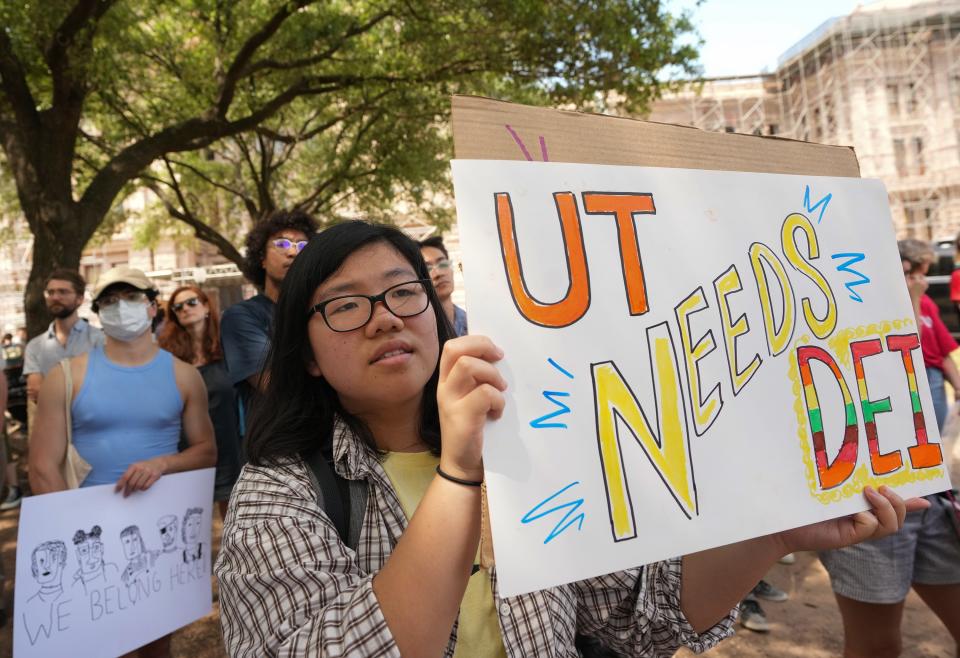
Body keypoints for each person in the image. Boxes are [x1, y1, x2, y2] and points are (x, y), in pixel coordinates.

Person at [215, 220, 918, 657]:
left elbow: (646, 614)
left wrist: (773, 535)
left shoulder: (529, 452)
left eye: (404, 293)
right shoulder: (279, 491)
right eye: (344, 305)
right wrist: (459, 474)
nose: (383, 318)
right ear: (305, 353)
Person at [29, 265, 216, 658]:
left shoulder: (184, 377)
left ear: (151, 307)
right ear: (98, 312)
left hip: (156, 534)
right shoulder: (65, 377)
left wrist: (162, 464)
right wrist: (71, 536)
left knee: (155, 645)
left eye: (130, 298)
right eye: (110, 301)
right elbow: (43, 467)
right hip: (89, 538)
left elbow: (206, 451)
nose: (120, 307)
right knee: (98, 645)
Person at [818, 238, 960, 658]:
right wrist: (909, 300)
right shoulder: (842, 306)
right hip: (870, 495)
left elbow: (939, 356)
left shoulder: (920, 305)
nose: (916, 277)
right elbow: (903, 358)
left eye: (918, 271)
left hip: (933, 488)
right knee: (877, 644)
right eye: (910, 269)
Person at [9, 269, 104, 511]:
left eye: (63, 292)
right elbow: (37, 395)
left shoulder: (100, 340)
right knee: (59, 507)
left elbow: (104, 390)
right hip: (51, 441)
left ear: (80, 298)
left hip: (95, 438)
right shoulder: (35, 346)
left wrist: (55, 393)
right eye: (51, 292)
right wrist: (81, 390)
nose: (55, 297)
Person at [220, 210, 317, 426]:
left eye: (303, 246)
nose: (292, 252)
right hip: (279, 449)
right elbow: (279, 388)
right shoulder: (241, 317)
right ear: (262, 259)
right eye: (282, 244)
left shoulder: (321, 311)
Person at [159, 285, 241, 517]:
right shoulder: (167, 357)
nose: (185, 309)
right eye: (178, 307)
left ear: (206, 306)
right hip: (188, 448)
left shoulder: (229, 348)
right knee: (192, 524)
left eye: (191, 302)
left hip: (230, 445)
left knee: (233, 523)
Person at [420, 235, 468, 336]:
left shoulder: (473, 323)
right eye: (427, 268)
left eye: (443, 264)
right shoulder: (420, 333)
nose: (438, 273)